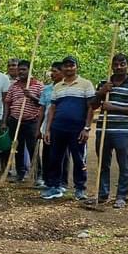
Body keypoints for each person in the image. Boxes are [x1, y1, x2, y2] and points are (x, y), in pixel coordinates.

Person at [90, 53, 128, 208]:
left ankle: (121, 196)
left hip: (122, 131)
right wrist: (101, 93)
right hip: (103, 129)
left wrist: (113, 107)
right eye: (116, 64)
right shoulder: (103, 83)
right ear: (111, 66)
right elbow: (93, 105)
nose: (119, 67)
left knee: (124, 164)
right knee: (103, 164)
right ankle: (102, 195)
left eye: (122, 64)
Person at [42, 56, 95, 201]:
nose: (69, 68)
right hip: (58, 128)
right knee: (55, 158)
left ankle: (80, 189)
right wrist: (47, 129)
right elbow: (52, 108)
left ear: (77, 67)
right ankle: (54, 186)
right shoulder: (58, 87)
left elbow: (91, 107)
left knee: (78, 159)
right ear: (63, 68)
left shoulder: (86, 84)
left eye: (72, 65)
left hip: (77, 129)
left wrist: (87, 128)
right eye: (66, 66)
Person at [0, 60, 44, 182]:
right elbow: (7, 103)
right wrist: (4, 121)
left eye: (24, 69)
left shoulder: (38, 85)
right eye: (19, 69)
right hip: (14, 120)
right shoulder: (14, 86)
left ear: (29, 70)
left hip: (31, 122)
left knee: (32, 148)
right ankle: (20, 173)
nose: (21, 72)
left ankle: (37, 175)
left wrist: (31, 96)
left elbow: (43, 103)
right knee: (17, 148)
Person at [34, 62, 69, 190]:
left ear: (62, 72)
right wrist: (38, 129)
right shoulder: (47, 89)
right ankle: (47, 180)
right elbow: (42, 110)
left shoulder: (67, 87)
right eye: (51, 71)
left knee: (63, 154)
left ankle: (62, 182)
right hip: (47, 126)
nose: (52, 74)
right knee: (47, 153)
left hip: (62, 125)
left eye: (55, 71)